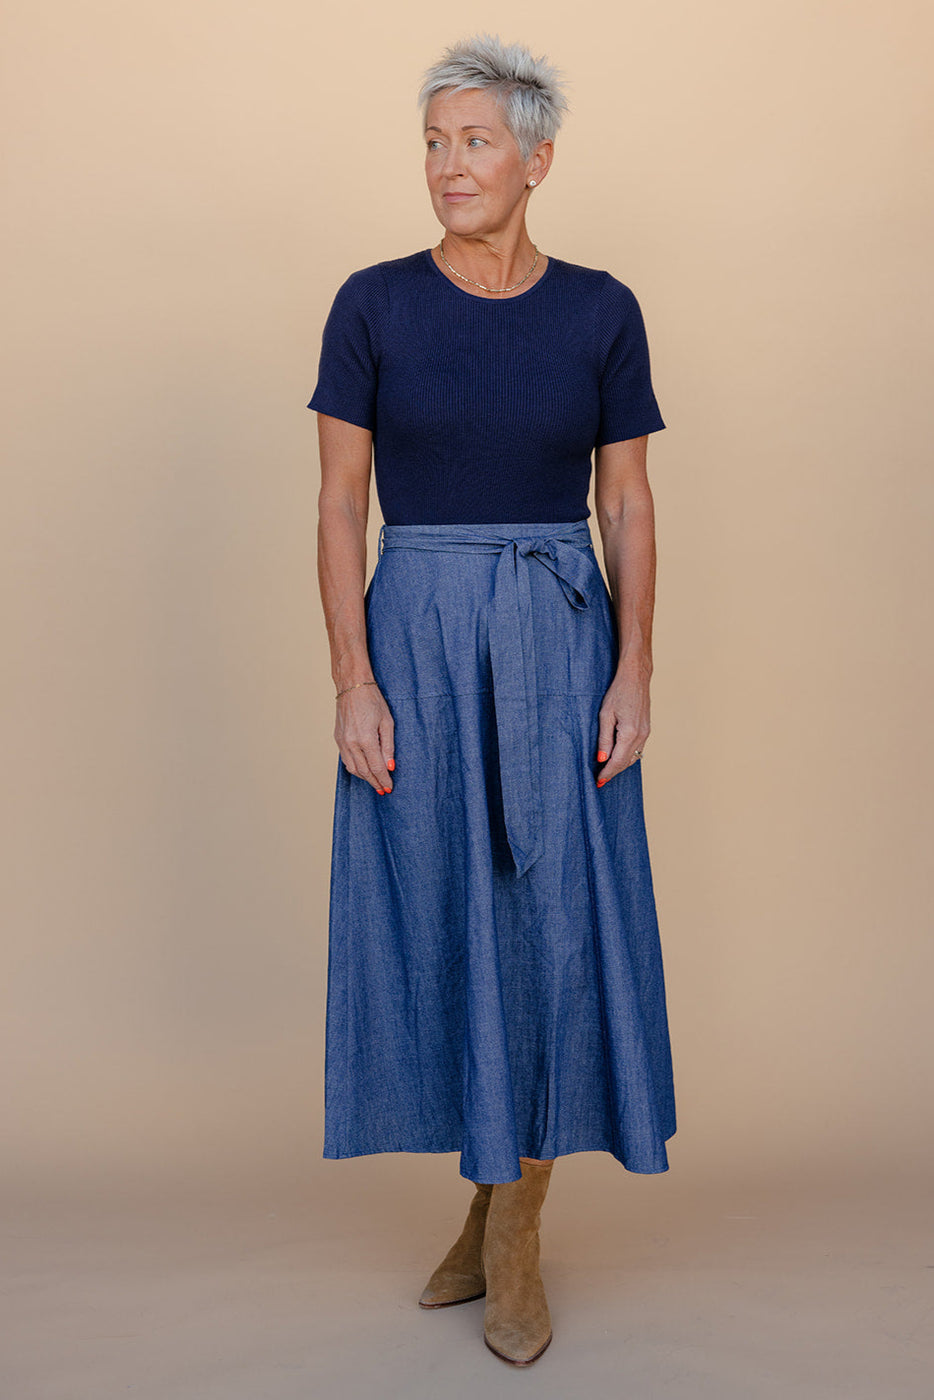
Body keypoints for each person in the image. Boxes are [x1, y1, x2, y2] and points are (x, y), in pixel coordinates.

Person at [308, 33, 676, 1367]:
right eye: (431, 141)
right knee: (442, 911)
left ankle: (513, 1232)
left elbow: (624, 501)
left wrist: (633, 669)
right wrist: (352, 679)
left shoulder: (600, 309)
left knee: (552, 924)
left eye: (471, 140)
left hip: (555, 633)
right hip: (410, 633)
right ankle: (486, 1191)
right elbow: (341, 504)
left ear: (536, 156)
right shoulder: (371, 304)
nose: (447, 165)